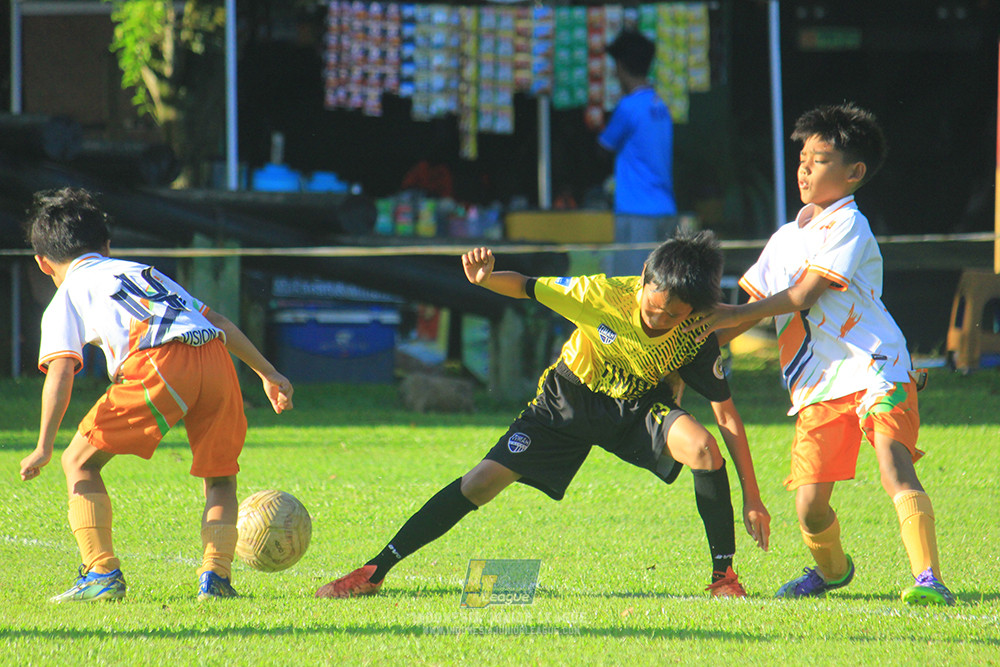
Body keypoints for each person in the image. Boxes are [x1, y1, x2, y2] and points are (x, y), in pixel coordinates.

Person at [316, 231, 770, 599]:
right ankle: (375, 570)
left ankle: (723, 578)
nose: (659, 318)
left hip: (636, 406)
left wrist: (752, 497)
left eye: (673, 315)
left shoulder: (694, 332)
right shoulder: (601, 295)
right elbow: (525, 286)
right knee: (480, 483)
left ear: (693, 312)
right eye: (654, 305)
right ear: (644, 279)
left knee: (703, 448)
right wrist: (484, 279)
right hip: (567, 402)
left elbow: (727, 416)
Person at [686, 103, 955, 606]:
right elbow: (750, 313)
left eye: (820, 160)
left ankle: (928, 579)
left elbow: (803, 295)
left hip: (877, 365)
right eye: (802, 159)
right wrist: (686, 349)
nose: (805, 169)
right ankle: (832, 573)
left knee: (893, 464)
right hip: (818, 385)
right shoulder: (785, 239)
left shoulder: (850, 223)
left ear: (854, 173)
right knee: (809, 506)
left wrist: (727, 312)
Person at [18, 187, 294, 603]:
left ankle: (100, 571)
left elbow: (60, 370)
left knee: (78, 462)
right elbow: (217, 321)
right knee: (220, 477)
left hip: (159, 362)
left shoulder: (69, 291)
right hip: (215, 358)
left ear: (42, 262)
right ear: (107, 246)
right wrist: (267, 372)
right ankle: (216, 577)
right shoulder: (144, 272)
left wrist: (43, 446)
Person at [599, 29, 678, 278]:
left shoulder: (628, 107)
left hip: (636, 213)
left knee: (631, 286)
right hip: (665, 209)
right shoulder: (660, 105)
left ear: (620, 66)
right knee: (662, 286)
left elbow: (603, 147)